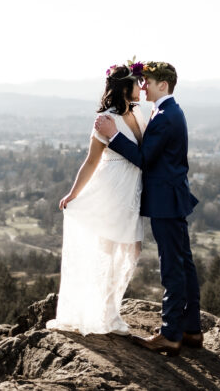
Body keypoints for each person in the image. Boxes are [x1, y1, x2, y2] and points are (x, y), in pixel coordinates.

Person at [94, 61, 202, 356]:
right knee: (184, 263)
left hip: (166, 200)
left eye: (148, 82)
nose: (143, 87)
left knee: (172, 266)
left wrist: (113, 136)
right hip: (173, 196)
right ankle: (191, 329)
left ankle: (170, 334)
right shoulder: (167, 111)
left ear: (163, 85)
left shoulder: (166, 116)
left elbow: (143, 158)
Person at [46, 60, 147, 335]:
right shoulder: (106, 119)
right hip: (111, 191)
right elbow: (91, 162)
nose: (141, 86)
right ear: (125, 86)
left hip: (131, 193)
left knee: (131, 250)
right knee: (110, 251)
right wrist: (73, 193)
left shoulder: (139, 115)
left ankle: (109, 309)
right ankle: (104, 315)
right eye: (137, 82)